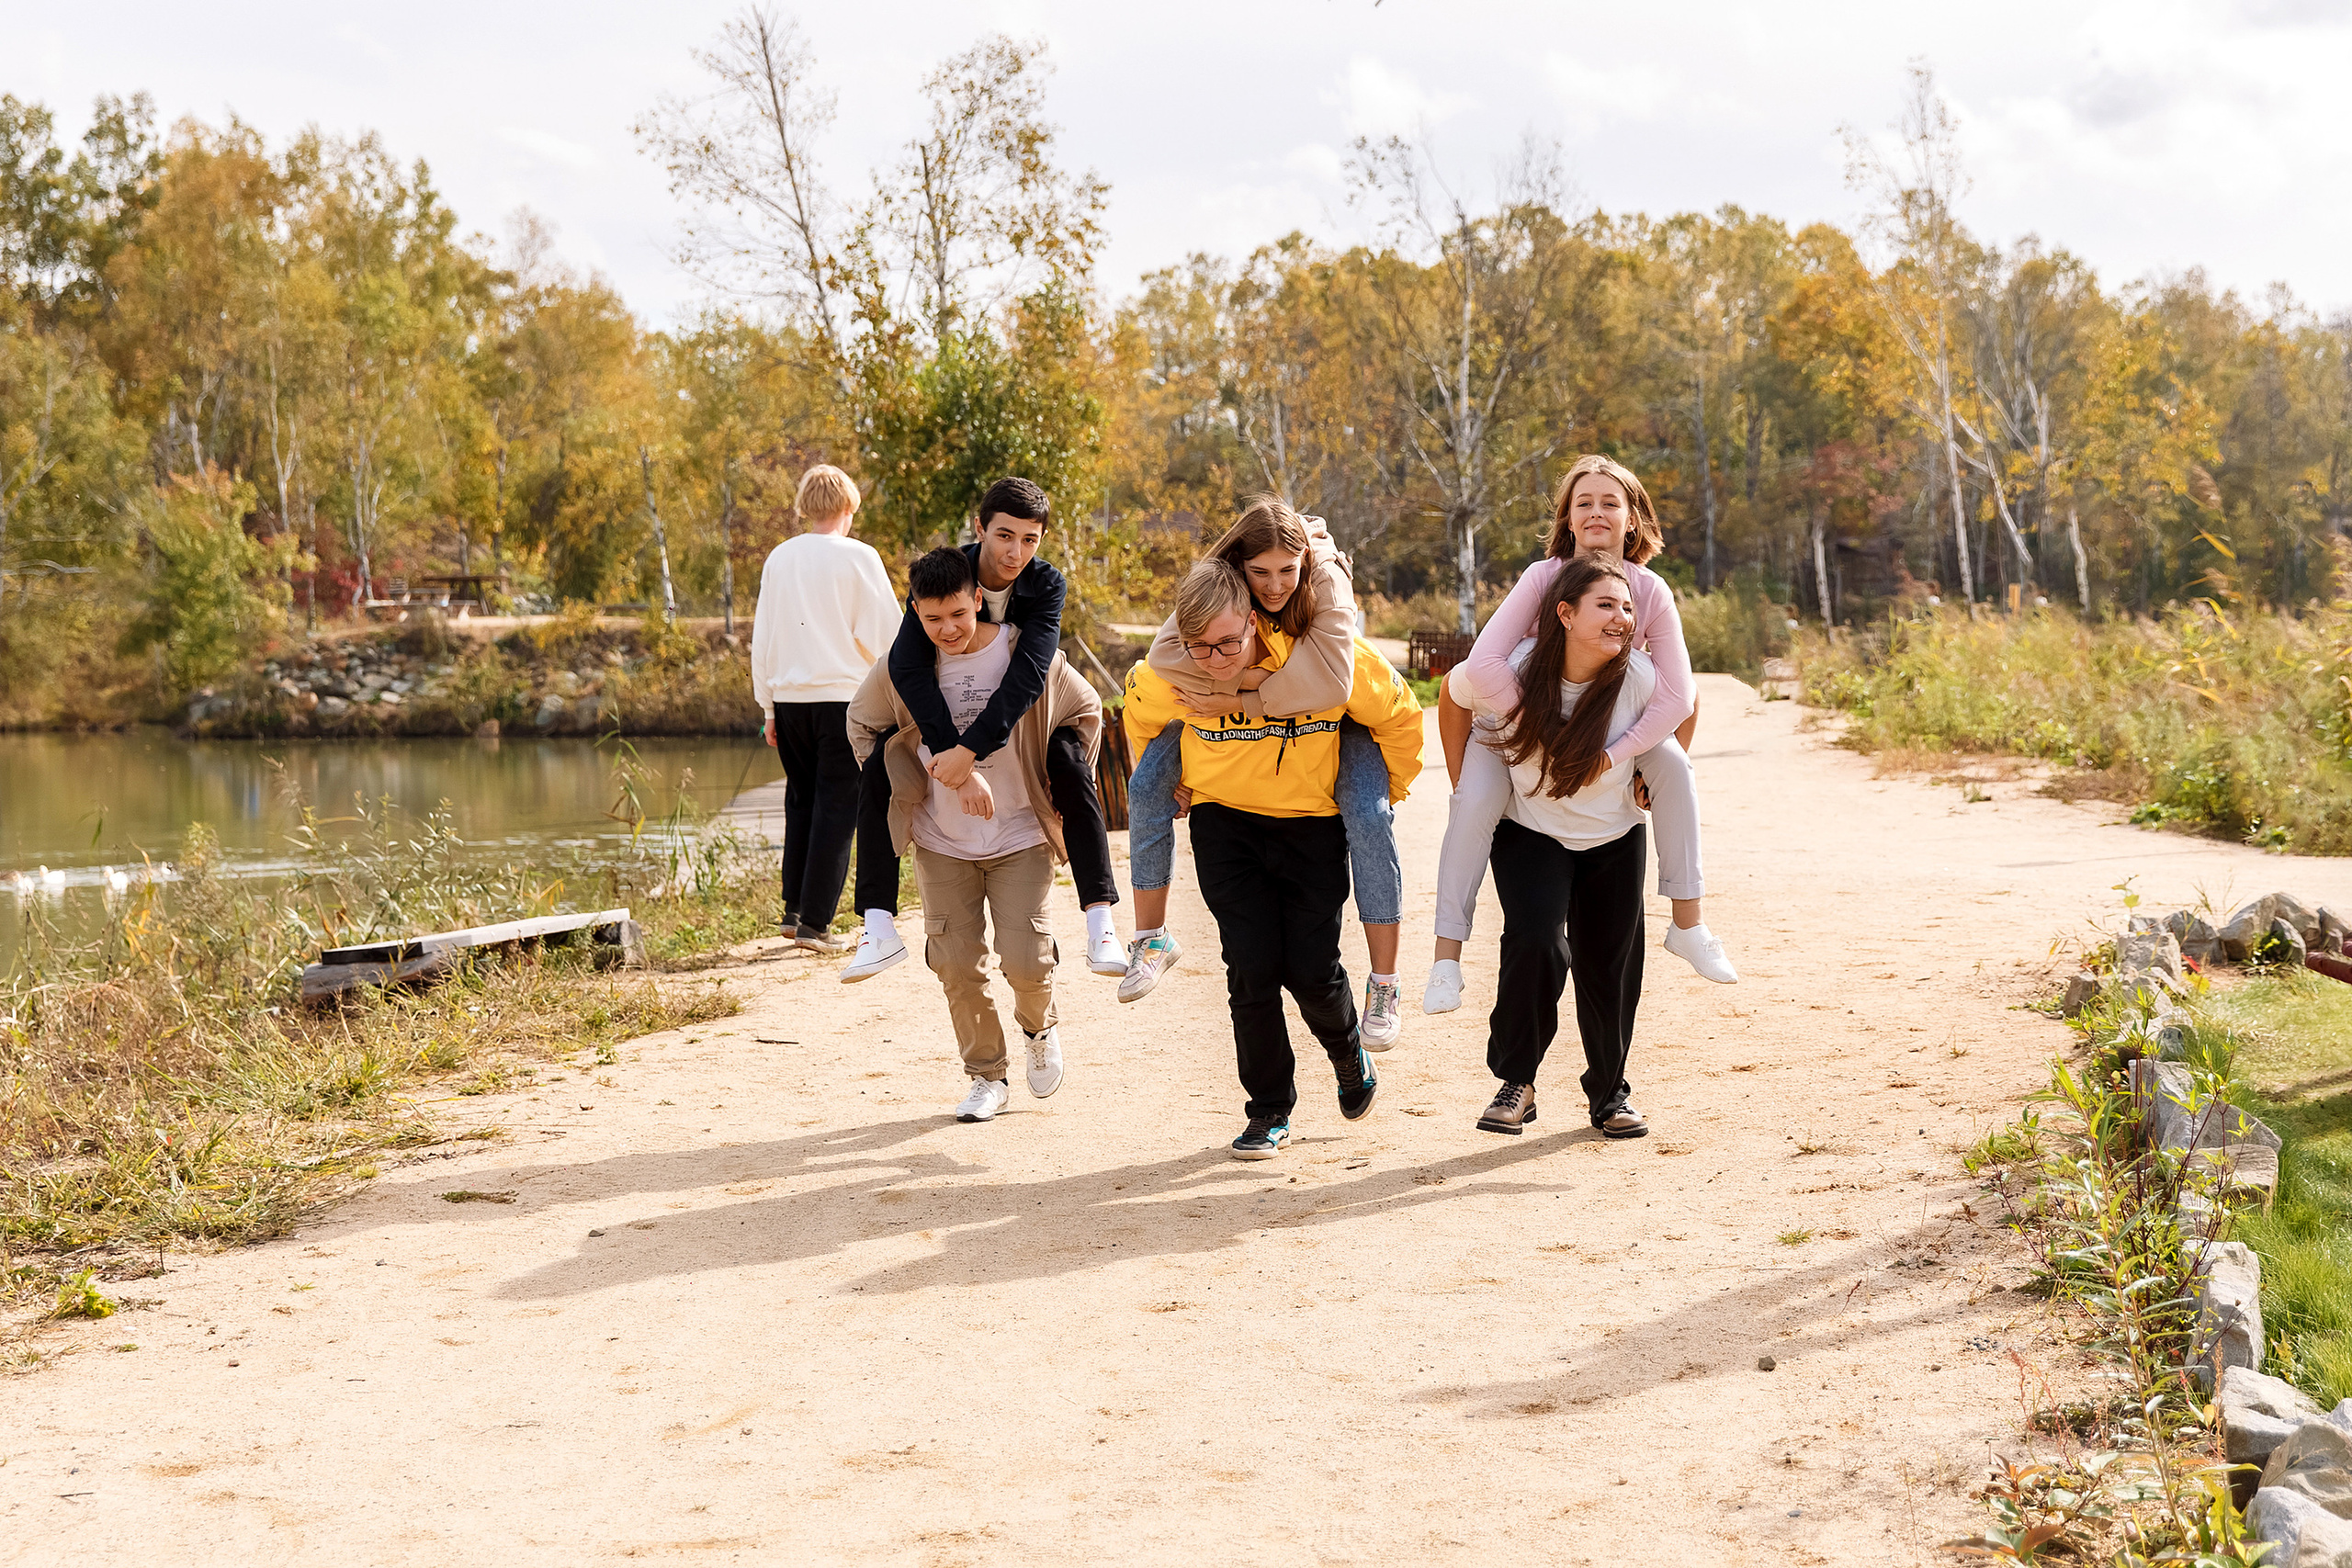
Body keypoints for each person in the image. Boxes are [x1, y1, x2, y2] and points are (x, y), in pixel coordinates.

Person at [1121, 534, 1425, 1161]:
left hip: (1310, 823)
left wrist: (1386, 787)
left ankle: (1349, 1057)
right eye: (1201, 647)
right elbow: (1141, 714)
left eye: (1229, 643)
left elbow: (1398, 708)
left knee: (1310, 970)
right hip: (1224, 823)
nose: (1216, 658)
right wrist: (1167, 778)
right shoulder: (1177, 669)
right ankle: (1268, 1110)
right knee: (1251, 968)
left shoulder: (1320, 658)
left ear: (1254, 620)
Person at [1424, 454, 1738, 1015]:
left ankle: (1688, 924)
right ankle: (1447, 957)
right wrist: (1540, 732)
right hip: (1516, 727)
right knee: (1472, 803)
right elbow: (1486, 663)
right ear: (1568, 519)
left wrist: (1629, 762)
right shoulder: (1543, 578)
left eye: (1610, 502)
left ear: (1633, 519)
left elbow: (1678, 696)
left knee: (1673, 767)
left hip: (1606, 730)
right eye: (1583, 502)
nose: (1596, 512)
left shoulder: (1650, 592)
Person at [846, 546, 1102, 1123]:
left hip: (1018, 838)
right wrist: (907, 790)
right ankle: (987, 1076)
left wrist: (1054, 785)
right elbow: (861, 725)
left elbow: (1086, 711)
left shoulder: (1020, 653)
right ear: (914, 611)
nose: (947, 630)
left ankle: (1040, 1029)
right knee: (957, 963)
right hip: (942, 842)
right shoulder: (902, 668)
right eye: (932, 619)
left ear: (977, 600)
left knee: (1026, 959)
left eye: (958, 615)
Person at [841, 478, 1125, 986]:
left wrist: (967, 751)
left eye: (1030, 539)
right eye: (1004, 536)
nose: (1016, 552)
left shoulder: (1045, 585)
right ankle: (878, 926)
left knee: (1067, 760)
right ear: (981, 529)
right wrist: (948, 753)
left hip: (1033, 710)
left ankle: (1100, 919)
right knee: (883, 764)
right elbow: (907, 669)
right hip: (950, 723)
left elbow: (1028, 676)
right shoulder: (946, 574)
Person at [1452, 554, 1657, 1139]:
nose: (1620, 617)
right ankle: (1518, 1082)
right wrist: (1463, 786)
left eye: (1626, 607)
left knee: (1610, 961)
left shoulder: (1638, 676)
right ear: (1564, 614)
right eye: (1605, 605)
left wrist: (1649, 779)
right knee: (1536, 939)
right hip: (1531, 829)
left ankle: (1610, 1092)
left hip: (1614, 833)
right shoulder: (1517, 668)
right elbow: (1452, 694)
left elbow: (1678, 718)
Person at [749, 464, 899, 952]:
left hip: (790, 702)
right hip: (843, 700)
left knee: (802, 803)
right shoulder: (859, 557)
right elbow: (884, 635)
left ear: (805, 507)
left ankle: (794, 912)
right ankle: (816, 923)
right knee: (839, 808)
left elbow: (763, 638)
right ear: (849, 507)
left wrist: (767, 706)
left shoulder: (779, 558)